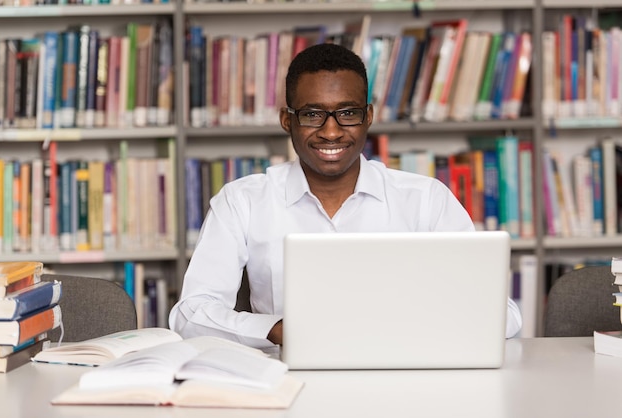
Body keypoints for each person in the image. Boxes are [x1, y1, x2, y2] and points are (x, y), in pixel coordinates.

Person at [169, 43, 522, 347]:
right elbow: (191, 313)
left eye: (348, 113)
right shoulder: (242, 201)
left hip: (406, 377)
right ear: (286, 120)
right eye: (312, 114)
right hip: (288, 377)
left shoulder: (425, 199)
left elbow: (503, 315)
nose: (332, 131)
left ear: (368, 116)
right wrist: (276, 329)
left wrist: (411, 328)